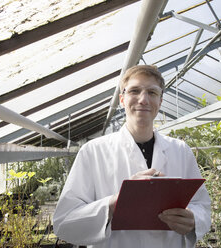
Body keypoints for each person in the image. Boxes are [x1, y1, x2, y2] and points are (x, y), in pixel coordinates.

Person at [53, 65, 211, 247]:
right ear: (122, 99)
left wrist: (193, 220)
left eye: (152, 92)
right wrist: (114, 204)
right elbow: (64, 222)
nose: (143, 99)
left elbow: (202, 206)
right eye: (135, 91)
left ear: (160, 101)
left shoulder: (181, 151)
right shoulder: (93, 152)